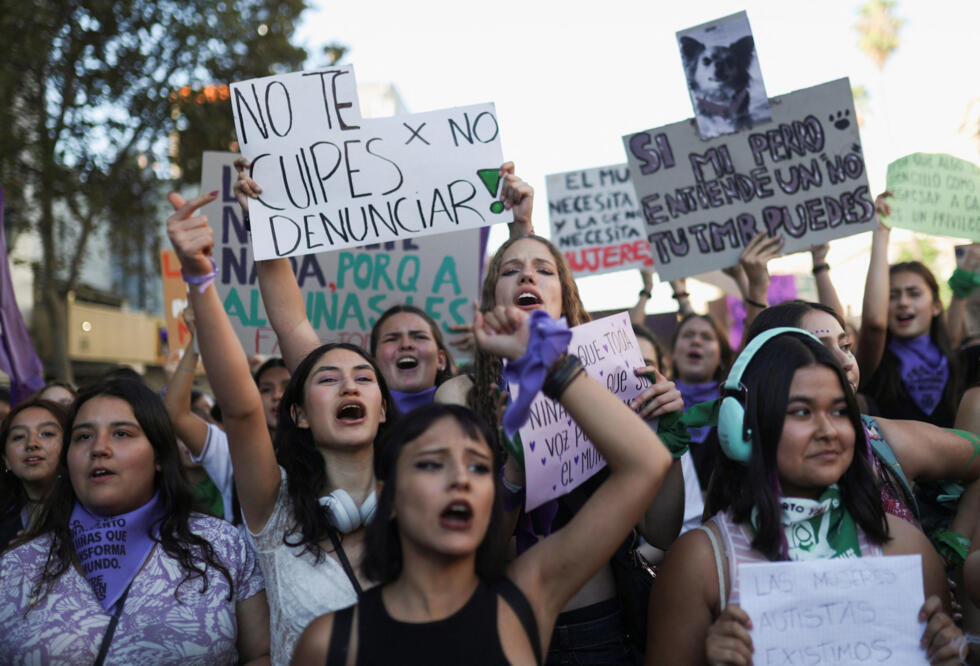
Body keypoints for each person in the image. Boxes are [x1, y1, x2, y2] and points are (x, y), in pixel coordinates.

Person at [291, 304, 674, 665]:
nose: (460, 479)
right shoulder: (330, 643)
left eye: (478, 467)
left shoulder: (529, 596)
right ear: (387, 497)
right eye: (430, 464)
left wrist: (547, 361)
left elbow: (646, 464)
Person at [166, 190, 397, 665]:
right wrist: (200, 278)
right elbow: (242, 407)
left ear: (382, 410)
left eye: (364, 378)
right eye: (328, 380)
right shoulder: (277, 510)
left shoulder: (420, 502)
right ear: (300, 414)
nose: (348, 386)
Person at [436, 232, 685, 663]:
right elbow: (469, 548)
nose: (527, 276)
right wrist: (514, 475)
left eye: (543, 270)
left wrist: (665, 438)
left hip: (599, 632)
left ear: (566, 298)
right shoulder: (460, 395)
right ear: (493, 298)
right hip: (499, 629)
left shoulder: (610, 385)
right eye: (510, 271)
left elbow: (661, 532)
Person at [646, 329, 963, 665]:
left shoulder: (908, 548)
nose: (828, 430)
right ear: (743, 427)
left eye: (839, 411)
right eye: (801, 412)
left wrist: (950, 657)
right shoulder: (700, 563)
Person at [0, 379, 269, 664]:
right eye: (83, 436)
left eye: (121, 434)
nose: (99, 448)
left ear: (158, 455)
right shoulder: (17, 567)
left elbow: (262, 654)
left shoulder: (220, 546)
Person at [858, 194, 974, 427]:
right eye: (892, 296)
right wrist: (880, 232)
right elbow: (873, 324)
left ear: (936, 306)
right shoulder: (874, 365)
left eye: (914, 293)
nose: (903, 302)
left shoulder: (960, 361)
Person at [0, 399, 67, 551]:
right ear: (6, 460)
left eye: (47, 434)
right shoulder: (4, 524)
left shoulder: (93, 514)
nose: (32, 444)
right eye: (19, 436)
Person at [367, 303, 456, 414]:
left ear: (441, 360)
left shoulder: (469, 412)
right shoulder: (357, 418)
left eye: (420, 337)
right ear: (375, 365)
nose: (406, 344)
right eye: (391, 339)